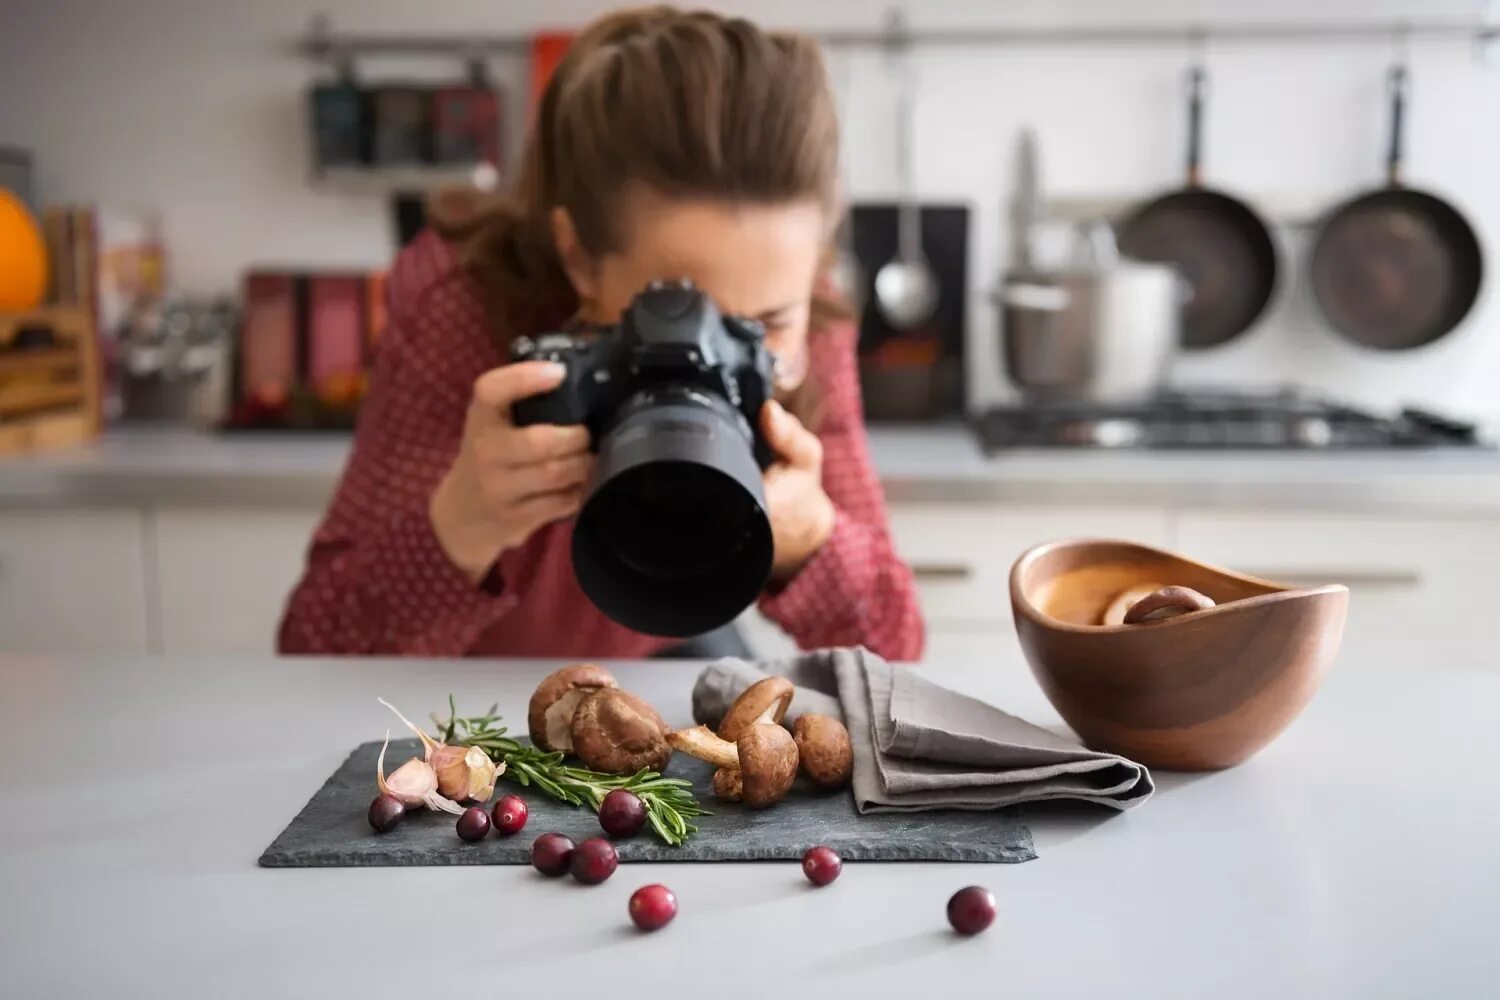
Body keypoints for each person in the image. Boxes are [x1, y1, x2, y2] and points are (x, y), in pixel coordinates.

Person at [278, 6, 923, 661]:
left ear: (815, 257)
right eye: (674, 311)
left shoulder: (810, 311)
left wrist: (814, 540)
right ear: (578, 258)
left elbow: (896, 648)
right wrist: (460, 526)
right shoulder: (462, 300)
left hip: (659, 645)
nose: (711, 353)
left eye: (765, 325)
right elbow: (315, 649)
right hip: (465, 674)